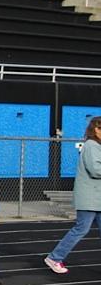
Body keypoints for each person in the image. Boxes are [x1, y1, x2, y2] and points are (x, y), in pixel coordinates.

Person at [44, 117, 101, 274]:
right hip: (90, 198)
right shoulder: (91, 146)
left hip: (98, 198)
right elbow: (95, 170)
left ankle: (55, 257)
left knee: (81, 229)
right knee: (81, 229)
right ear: (96, 129)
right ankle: (54, 257)